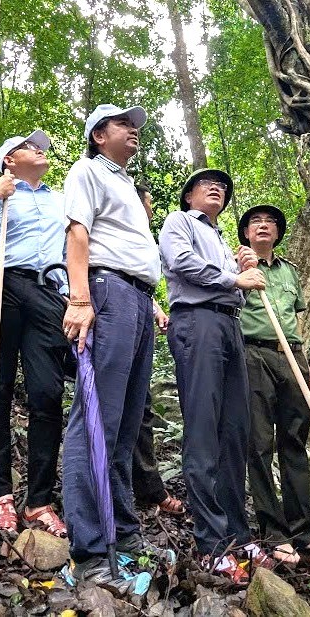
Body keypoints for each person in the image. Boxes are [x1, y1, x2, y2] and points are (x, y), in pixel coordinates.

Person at [60, 104, 174, 589]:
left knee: (128, 424)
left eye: (134, 126)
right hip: (104, 293)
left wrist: (148, 302)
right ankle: (90, 550)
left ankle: (123, 533)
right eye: (123, 124)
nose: (133, 131)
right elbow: (78, 233)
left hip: (137, 299)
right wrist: (80, 298)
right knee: (95, 421)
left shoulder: (125, 183)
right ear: (98, 134)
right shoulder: (87, 170)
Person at [159, 169, 270, 585]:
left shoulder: (225, 242)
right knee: (204, 431)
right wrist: (232, 278)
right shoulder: (179, 221)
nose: (218, 188)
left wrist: (242, 273)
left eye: (223, 186)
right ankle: (210, 542)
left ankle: (237, 535)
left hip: (229, 325)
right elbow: (181, 262)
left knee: (234, 433)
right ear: (189, 195)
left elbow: (238, 290)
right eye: (207, 184)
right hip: (197, 322)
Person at [0, 130, 68, 537]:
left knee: (47, 392)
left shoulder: (60, 201)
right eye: (29, 146)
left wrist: (69, 296)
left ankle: (39, 500)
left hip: (45, 291)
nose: (39, 149)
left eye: (41, 145)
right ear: (9, 159)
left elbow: (68, 250)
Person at [237, 204, 310, 566]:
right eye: (255, 223)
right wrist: (238, 272)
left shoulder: (289, 273)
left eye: (270, 223)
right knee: (260, 442)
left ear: (278, 234)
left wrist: (306, 363)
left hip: (291, 355)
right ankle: (273, 533)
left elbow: (297, 320)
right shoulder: (237, 267)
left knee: (294, 440)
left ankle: (304, 532)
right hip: (253, 355)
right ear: (247, 233)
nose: (263, 226)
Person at [131, 184, 184, 516]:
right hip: (105, 317)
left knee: (141, 406)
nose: (151, 209)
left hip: (138, 313)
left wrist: (153, 307)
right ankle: (111, 489)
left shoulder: (142, 237)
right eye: (149, 202)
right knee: (114, 406)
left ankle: (149, 488)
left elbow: (137, 278)